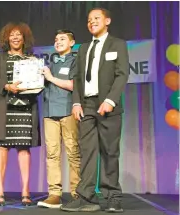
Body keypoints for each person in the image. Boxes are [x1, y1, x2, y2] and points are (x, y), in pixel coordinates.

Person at [60, 8, 129, 213]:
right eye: (89, 20)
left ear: (107, 20)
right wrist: (76, 103)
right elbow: (77, 78)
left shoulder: (117, 44)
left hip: (108, 106)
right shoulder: (83, 48)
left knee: (109, 152)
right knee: (88, 152)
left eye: (96, 18)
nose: (92, 22)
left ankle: (112, 196)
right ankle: (85, 196)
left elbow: (122, 74)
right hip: (87, 105)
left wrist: (110, 100)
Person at [0, 22, 40, 206]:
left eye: (19, 35)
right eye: (12, 35)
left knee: (23, 148)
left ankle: (25, 190)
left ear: (24, 38)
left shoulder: (32, 58)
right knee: (1, 148)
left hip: (25, 108)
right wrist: (6, 86)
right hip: (5, 108)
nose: (15, 37)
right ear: (7, 38)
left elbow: (38, 83)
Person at [37, 29, 80, 209]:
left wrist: (50, 78)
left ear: (71, 42)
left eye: (62, 39)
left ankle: (77, 192)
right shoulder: (50, 63)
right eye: (56, 39)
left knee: (73, 152)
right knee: (52, 154)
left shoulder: (76, 61)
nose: (58, 42)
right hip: (49, 112)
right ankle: (54, 194)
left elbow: (73, 85)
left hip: (68, 110)